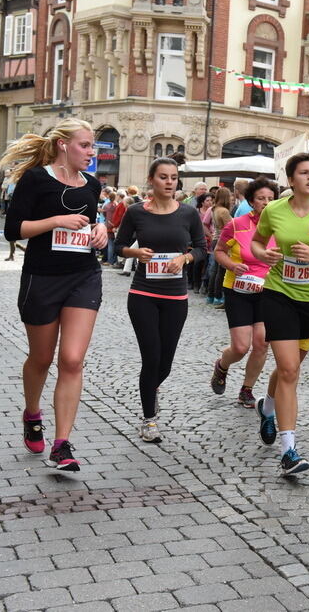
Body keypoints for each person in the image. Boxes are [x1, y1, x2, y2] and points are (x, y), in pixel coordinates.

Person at [2, 118, 108, 472]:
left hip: (83, 276)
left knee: (73, 359)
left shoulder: (92, 185)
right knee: (41, 358)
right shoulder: (35, 179)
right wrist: (56, 221)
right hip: (42, 277)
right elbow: (12, 230)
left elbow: (91, 222)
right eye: (85, 145)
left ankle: (62, 444)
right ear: (64, 145)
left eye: (93, 146)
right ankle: (32, 413)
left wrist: (101, 230)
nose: (91, 153)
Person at [244, 152, 309, 476]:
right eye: (304, 172)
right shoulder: (275, 210)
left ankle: (268, 406)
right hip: (278, 295)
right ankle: (289, 450)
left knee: (289, 367)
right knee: (289, 370)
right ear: (291, 180)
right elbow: (257, 245)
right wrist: (267, 254)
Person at [116, 158, 206, 443]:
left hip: (175, 296)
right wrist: (135, 254)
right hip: (143, 294)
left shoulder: (189, 214)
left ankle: (150, 390)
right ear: (151, 180)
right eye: (164, 177)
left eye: (174, 177)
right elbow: (118, 246)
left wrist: (185, 257)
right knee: (151, 357)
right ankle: (149, 419)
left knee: (165, 362)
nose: (169, 182)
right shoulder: (135, 212)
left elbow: (203, 249)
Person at [212, 177, 278, 437]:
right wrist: (231, 265)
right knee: (241, 346)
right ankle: (222, 365)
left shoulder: (280, 226)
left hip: (267, 290)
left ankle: (246, 389)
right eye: (261, 198)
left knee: (262, 343)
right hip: (238, 288)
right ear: (251, 200)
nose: (266, 202)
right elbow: (219, 251)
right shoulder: (237, 225)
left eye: (271, 199)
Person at [205, 187, 233, 307]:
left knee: (215, 270)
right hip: (223, 241)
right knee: (221, 271)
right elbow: (231, 227)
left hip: (216, 239)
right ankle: (218, 296)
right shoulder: (224, 211)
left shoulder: (214, 209)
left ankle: (211, 295)